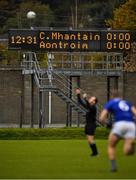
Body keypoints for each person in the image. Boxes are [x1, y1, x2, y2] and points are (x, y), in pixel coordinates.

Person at [99, 89, 136, 172]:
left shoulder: (111, 102)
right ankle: (132, 144)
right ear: (121, 97)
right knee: (127, 152)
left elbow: (101, 118)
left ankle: (113, 166)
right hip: (131, 125)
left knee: (111, 146)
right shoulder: (127, 103)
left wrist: (109, 123)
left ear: (112, 96)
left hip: (119, 124)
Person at [76, 88, 98, 156]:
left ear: (94, 102)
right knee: (89, 141)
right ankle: (94, 153)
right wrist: (78, 94)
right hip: (88, 125)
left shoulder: (94, 107)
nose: (90, 98)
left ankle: (95, 153)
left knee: (91, 140)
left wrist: (85, 98)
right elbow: (80, 102)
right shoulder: (89, 106)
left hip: (91, 125)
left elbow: (88, 106)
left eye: (92, 98)